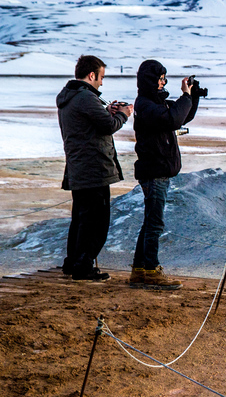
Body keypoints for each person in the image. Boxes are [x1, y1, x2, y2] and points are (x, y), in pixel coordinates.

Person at [57, 55, 133, 281]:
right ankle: (83, 266)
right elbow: (109, 126)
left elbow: (93, 123)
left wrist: (107, 110)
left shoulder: (70, 97)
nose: (102, 83)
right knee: (96, 223)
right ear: (92, 75)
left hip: (79, 168)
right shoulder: (86, 98)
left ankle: (73, 262)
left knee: (81, 219)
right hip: (93, 169)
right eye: (101, 77)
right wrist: (123, 114)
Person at [130, 60, 199, 290]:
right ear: (150, 80)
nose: (163, 83)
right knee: (155, 224)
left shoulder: (153, 103)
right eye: (160, 79)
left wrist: (193, 97)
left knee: (150, 222)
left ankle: (140, 270)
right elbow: (174, 118)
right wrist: (186, 97)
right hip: (154, 172)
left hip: (157, 171)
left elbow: (183, 116)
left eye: (164, 79)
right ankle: (151, 271)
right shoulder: (147, 105)